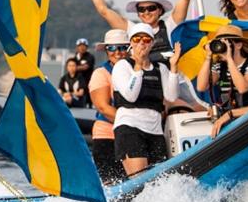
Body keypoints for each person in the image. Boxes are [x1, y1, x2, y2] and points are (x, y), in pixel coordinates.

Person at [112, 24, 181, 177]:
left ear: (152, 43)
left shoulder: (160, 68)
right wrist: (138, 66)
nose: (141, 43)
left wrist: (174, 67)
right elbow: (131, 96)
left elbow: (172, 96)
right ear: (131, 43)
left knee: (159, 181)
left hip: (155, 130)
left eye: (146, 39)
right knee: (140, 179)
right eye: (137, 39)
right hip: (130, 127)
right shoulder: (122, 66)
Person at [89, 29, 130, 184]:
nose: (117, 52)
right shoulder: (100, 74)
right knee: (113, 185)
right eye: (112, 48)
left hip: (134, 137)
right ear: (106, 50)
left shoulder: (138, 71)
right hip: (108, 137)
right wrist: (133, 123)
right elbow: (103, 107)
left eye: (122, 47)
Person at [196, 25, 248, 109]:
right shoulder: (219, 67)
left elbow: (242, 88)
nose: (222, 48)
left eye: (226, 43)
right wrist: (208, 57)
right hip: (230, 116)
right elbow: (201, 87)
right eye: (220, 43)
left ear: (239, 45)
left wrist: (229, 59)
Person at [74, 38, 95, 106]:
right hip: (77, 82)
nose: (82, 48)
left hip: (87, 81)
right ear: (77, 47)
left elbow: (86, 67)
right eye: (80, 46)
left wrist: (74, 68)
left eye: (84, 46)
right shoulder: (75, 57)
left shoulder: (90, 57)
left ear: (87, 47)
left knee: (88, 99)